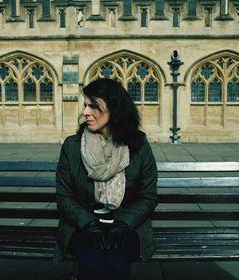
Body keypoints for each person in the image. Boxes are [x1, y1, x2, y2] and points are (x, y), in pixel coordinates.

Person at [56, 78, 158, 280]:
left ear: (115, 109)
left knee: (116, 263)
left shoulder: (138, 146)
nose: (85, 112)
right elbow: (64, 196)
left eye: (93, 106)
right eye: (85, 105)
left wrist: (124, 224)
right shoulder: (72, 146)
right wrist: (87, 223)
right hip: (83, 224)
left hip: (127, 225)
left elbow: (148, 197)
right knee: (92, 263)